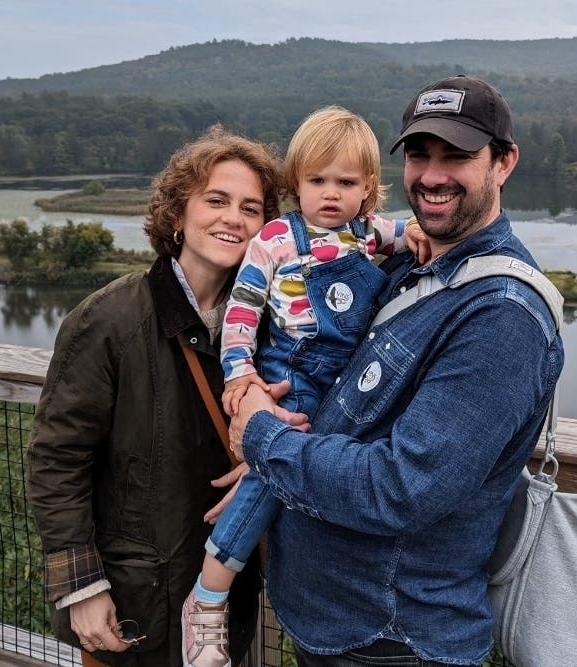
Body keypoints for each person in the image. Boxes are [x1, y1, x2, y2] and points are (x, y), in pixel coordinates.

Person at [228, 75, 566, 666]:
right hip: (332, 623)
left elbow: (400, 489)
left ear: (503, 163)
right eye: (418, 154)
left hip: (392, 640)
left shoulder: (501, 317)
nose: (431, 176)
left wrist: (261, 438)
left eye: (456, 156)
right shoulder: (412, 264)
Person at [26, 126, 294, 667]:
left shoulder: (277, 324)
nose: (233, 218)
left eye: (250, 208)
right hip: (135, 608)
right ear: (177, 213)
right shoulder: (109, 319)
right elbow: (57, 459)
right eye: (215, 200)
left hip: (226, 609)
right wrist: (81, 587)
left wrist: (269, 453)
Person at [181, 105, 427, 667]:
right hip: (290, 374)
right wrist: (240, 373)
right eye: (317, 181)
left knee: (313, 475)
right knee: (270, 479)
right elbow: (243, 310)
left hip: (344, 382)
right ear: (296, 184)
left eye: (346, 182)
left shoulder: (370, 234)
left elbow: (408, 233)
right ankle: (208, 596)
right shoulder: (275, 239)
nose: (331, 193)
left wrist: (415, 231)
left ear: (368, 188)